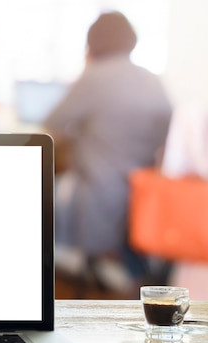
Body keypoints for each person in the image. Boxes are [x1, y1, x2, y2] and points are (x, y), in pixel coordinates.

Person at [44, 12, 173, 294]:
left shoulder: (94, 78)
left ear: (93, 43)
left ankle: (76, 267)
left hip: (96, 194)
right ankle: (116, 269)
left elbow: (50, 126)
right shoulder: (153, 80)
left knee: (37, 196)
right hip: (141, 197)